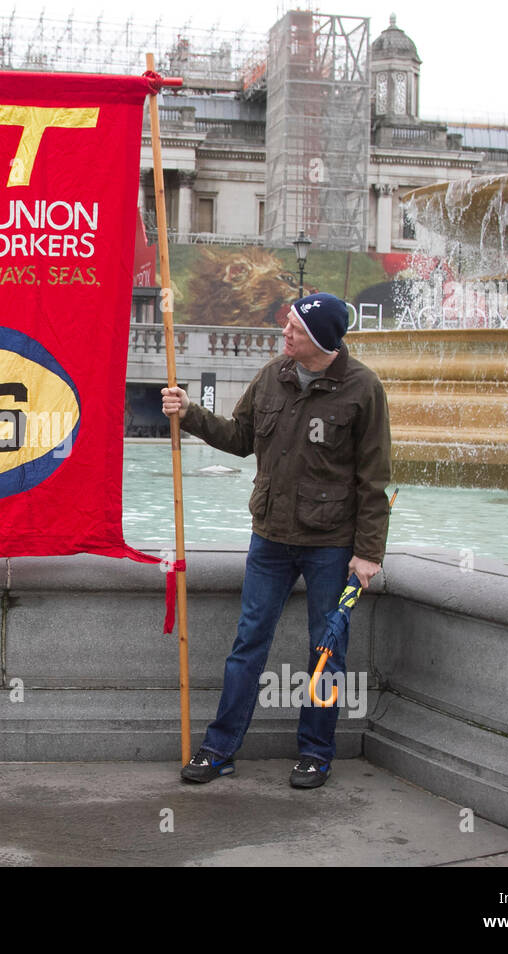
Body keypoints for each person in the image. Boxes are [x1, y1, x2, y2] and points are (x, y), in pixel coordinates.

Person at [161, 292, 391, 790]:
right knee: (248, 644)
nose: (284, 333)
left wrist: (369, 553)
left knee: (326, 653)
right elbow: (240, 438)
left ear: (322, 341)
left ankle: (316, 753)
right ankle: (220, 748)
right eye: (287, 324)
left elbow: (374, 479)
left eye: (295, 329)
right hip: (269, 537)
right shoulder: (273, 375)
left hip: (331, 544)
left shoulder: (363, 389)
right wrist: (189, 413)